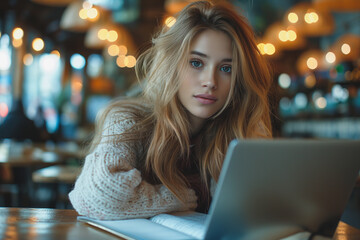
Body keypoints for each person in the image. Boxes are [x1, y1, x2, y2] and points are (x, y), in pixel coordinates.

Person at [69, 0, 273, 220]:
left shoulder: (241, 129)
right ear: (172, 65)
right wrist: (181, 199)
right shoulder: (128, 120)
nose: (210, 81)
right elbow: (99, 196)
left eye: (226, 68)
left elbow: (265, 210)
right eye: (196, 63)